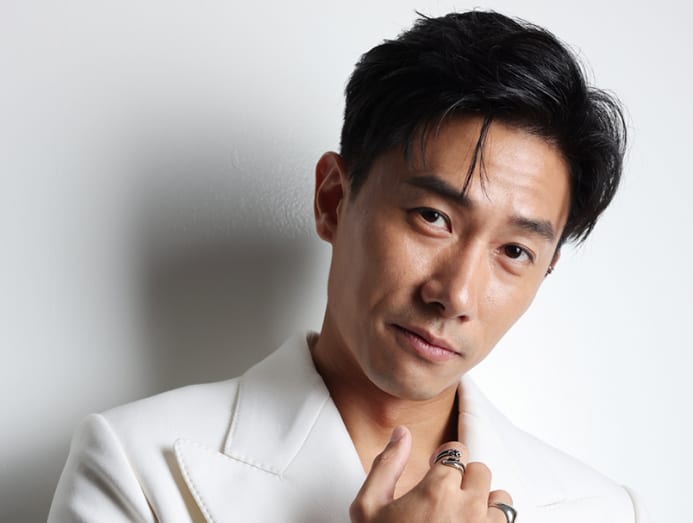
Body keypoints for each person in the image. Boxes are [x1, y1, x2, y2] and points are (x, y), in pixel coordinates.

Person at [48, 10, 648, 523]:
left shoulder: (599, 509)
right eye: (432, 217)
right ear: (333, 199)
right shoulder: (134, 465)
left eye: (514, 252)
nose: (456, 294)